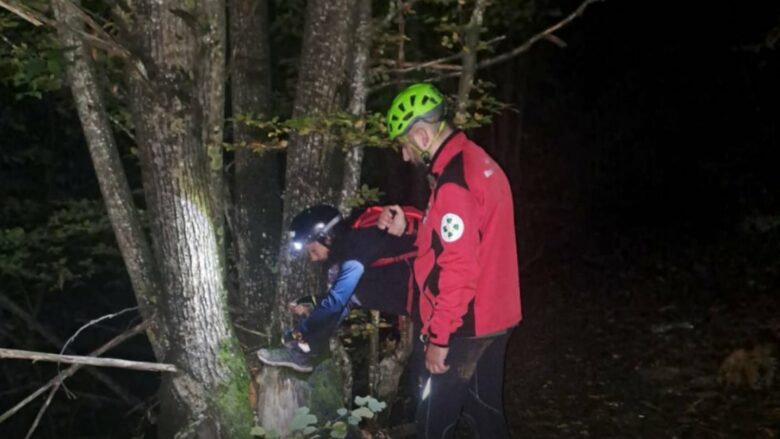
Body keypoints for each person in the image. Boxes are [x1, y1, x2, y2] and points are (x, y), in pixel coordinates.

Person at [378, 83, 522, 438]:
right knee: (485, 415)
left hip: (465, 325)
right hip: (494, 315)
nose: (404, 155)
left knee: (432, 423)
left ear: (423, 135)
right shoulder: (472, 161)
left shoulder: (454, 182)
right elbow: (459, 238)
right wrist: (409, 227)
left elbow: (458, 266)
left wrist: (440, 338)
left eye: (404, 144)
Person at [256, 204, 421, 373]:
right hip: (426, 313)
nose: (313, 258)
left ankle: (303, 352)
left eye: (312, 250)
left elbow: (337, 301)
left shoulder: (357, 246)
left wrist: (298, 333)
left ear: (327, 237)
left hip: (441, 309)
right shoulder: (356, 249)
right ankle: (305, 354)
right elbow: (352, 296)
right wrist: (314, 304)